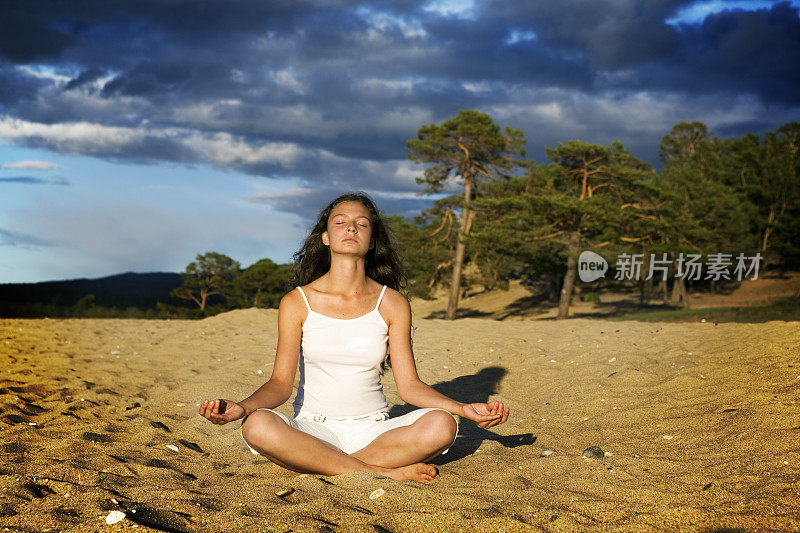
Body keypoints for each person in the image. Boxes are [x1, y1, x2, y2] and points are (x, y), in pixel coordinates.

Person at [199, 192, 509, 482]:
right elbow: (280, 384)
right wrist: (243, 407)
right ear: (326, 237)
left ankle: (331, 465)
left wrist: (463, 409)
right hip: (313, 429)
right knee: (257, 424)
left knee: (442, 424)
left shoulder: (392, 303)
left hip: (373, 432)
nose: (351, 228)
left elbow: (410, 386)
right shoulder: (297, 302)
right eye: (340, 221)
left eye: (361, 224)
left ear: (372, 240)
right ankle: (383, 472)